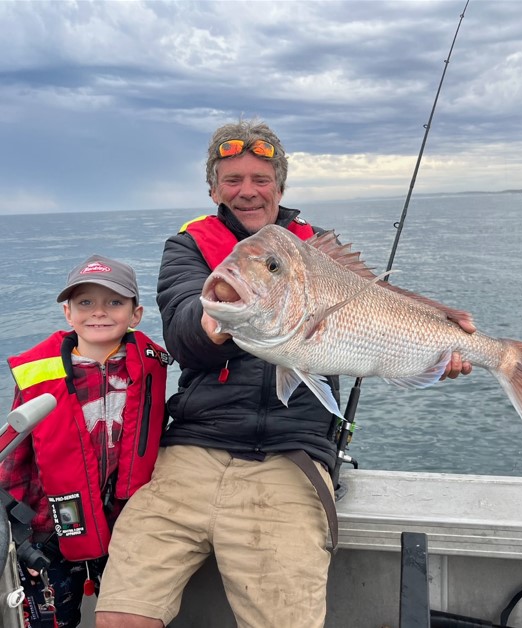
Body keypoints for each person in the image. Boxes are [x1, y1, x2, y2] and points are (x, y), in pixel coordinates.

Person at [94, 119, 474, 628]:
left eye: (260, 178)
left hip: (291, 457)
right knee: (120, 617)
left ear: (280, 186)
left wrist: (435, 346)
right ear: (213, 189)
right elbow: (184, 333)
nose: (247, 191)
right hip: (191, 450)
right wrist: (222, 312)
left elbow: (382, 313)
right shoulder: (188, 247)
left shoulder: (318, 249)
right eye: (232, 180)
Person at [0, 255, 169, 628]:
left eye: (114, 302)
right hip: (50, 533)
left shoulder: (151, 365)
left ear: (136, 314)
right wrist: (20, 538)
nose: (99, 313)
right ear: (67, 312)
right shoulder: (38, 375)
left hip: (125, 524)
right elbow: (13, 462)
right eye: (85, 303)